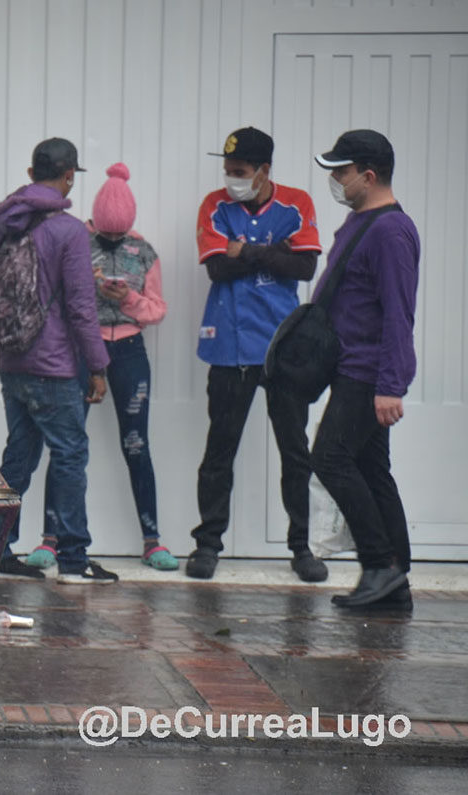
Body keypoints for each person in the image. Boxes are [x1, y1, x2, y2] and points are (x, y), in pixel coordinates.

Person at [0, 138, 116, 584]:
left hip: (12, 360)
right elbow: (82, 308)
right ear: (69, 176)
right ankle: (73, 559)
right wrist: (99, 366)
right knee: (69, 455)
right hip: (53, 366)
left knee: (20, 454)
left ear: (31, 175)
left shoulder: (4, 223)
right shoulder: (69, 231)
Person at [186, 126, 328, 583]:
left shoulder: (297, 203)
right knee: (219, 451)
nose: (231, 178)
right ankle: (207, 544)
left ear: (264, 170)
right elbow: (217, 268)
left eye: (240, 171)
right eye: (227, 171)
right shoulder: (214, 205)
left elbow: (305, 266)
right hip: (229, 348)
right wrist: (272, 252)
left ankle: (302, 547)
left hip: (285, 347)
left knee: (295, 450)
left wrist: (245, 249)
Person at [311, 130, 420, 610]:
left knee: (329, 459)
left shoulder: (391, 231)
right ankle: (394, 579)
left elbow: (399, 312)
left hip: (367, 372)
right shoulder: (361, 221)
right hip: (349, 367)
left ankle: (379, 564)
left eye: (341, 170)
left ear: (368, 175)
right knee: (373, 469)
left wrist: (391, 385)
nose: (335, 179)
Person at [82, 163, 176, 570]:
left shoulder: (145, 252)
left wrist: (127, 301)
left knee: (136, 445)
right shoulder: (76, 243)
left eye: (121, 232)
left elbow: (157, 310)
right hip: (84, 351)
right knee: (69, 445)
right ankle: (52, 540)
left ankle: (152, 541)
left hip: (130, 350)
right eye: (109, 232)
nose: (115, 238)